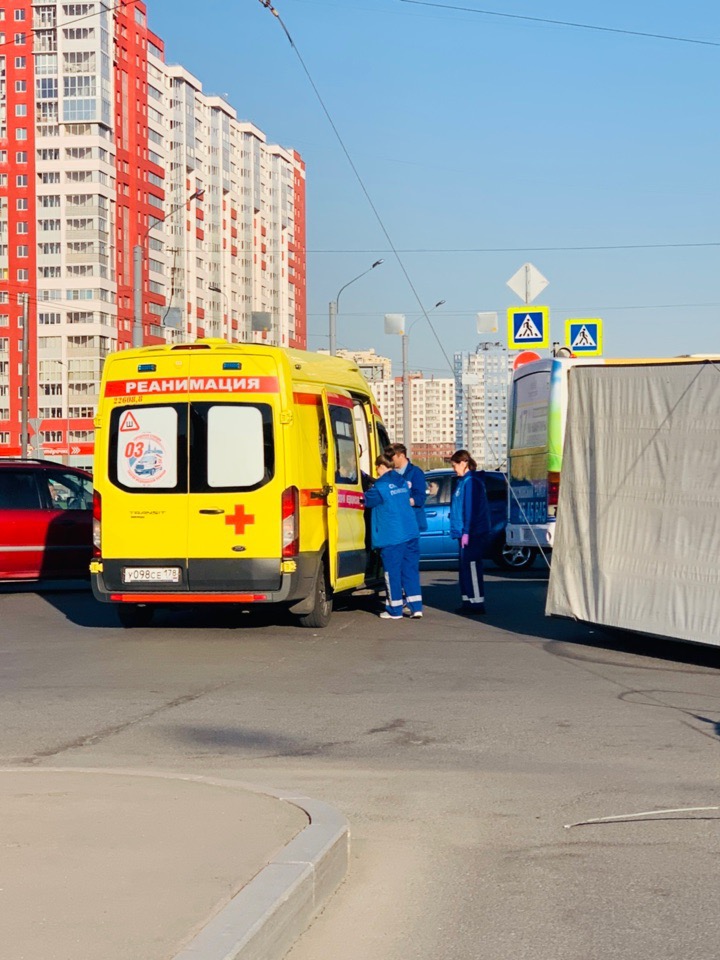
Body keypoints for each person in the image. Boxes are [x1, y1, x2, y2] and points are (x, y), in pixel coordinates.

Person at [364, 453, 423, 620]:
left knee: (392, 573)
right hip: (411, 532)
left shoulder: (380, 487)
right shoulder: (403, 482)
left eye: (377, 468)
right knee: (410, 570)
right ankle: (416, 607)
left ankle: (395, 609)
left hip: (392, 536)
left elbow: (366, 501)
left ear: (381, 467)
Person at [449, 449, 491, 615]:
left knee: (472, 566)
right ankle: (467, 600)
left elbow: (470, 508)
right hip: (464, 531)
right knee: (465, 567)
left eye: (455, 465)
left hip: (473, 532)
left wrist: (467, 531)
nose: (454, 469)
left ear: (464, 462)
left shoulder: (471, 481)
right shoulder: (463, 481)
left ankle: (477, 603)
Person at [385, 443, 427, 533]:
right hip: (397, 523)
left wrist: (402, 501)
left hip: (412, 523)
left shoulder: (415, 472)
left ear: (402, 456)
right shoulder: (391, 474)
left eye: (392, 458)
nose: (390, 461)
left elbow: (420, 498)